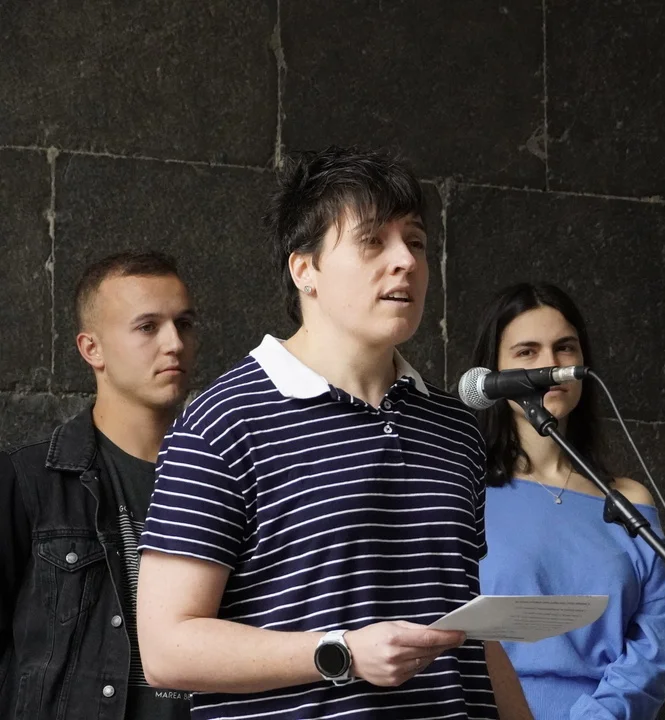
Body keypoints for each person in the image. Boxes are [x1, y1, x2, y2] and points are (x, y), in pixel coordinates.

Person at [135, 147, 532, 720]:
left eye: (416, 241)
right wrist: (340, 652)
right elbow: (167, 648)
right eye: (372, 241)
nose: (405, 261)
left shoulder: (454, 428)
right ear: (305, 270)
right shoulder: (225, 419)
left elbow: (465, 629)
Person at [1, 250, 198, 720]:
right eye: (147, 327)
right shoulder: (30, 482)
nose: (174, 343)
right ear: (92, 349)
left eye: (184, 324)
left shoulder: (227, 479)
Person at [472, 282, 665, 719]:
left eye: (565, 347)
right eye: (527, 352)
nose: (551, 365)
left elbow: (655, 643)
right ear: (492, 373)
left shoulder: (629, 501)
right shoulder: (464, 493)